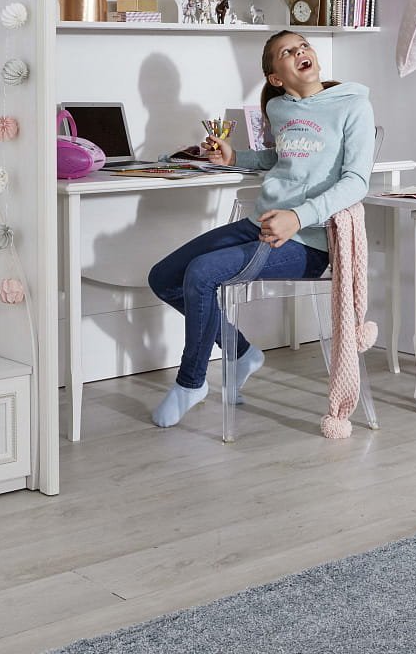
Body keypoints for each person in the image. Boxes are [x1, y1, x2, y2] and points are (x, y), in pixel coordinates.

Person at [145, 31, 375, 428]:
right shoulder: (280, 109)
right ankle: (241, 353)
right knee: (164, 277)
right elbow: (282, 157)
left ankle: (191, 383)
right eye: (288, 51)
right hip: (262, 225)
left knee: (201, 273)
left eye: (303, 45)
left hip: (310, 242)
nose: (300, 51)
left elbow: (356, 181)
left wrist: (298, 217)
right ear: (275, 78)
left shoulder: (354, 105)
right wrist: (236, 156)